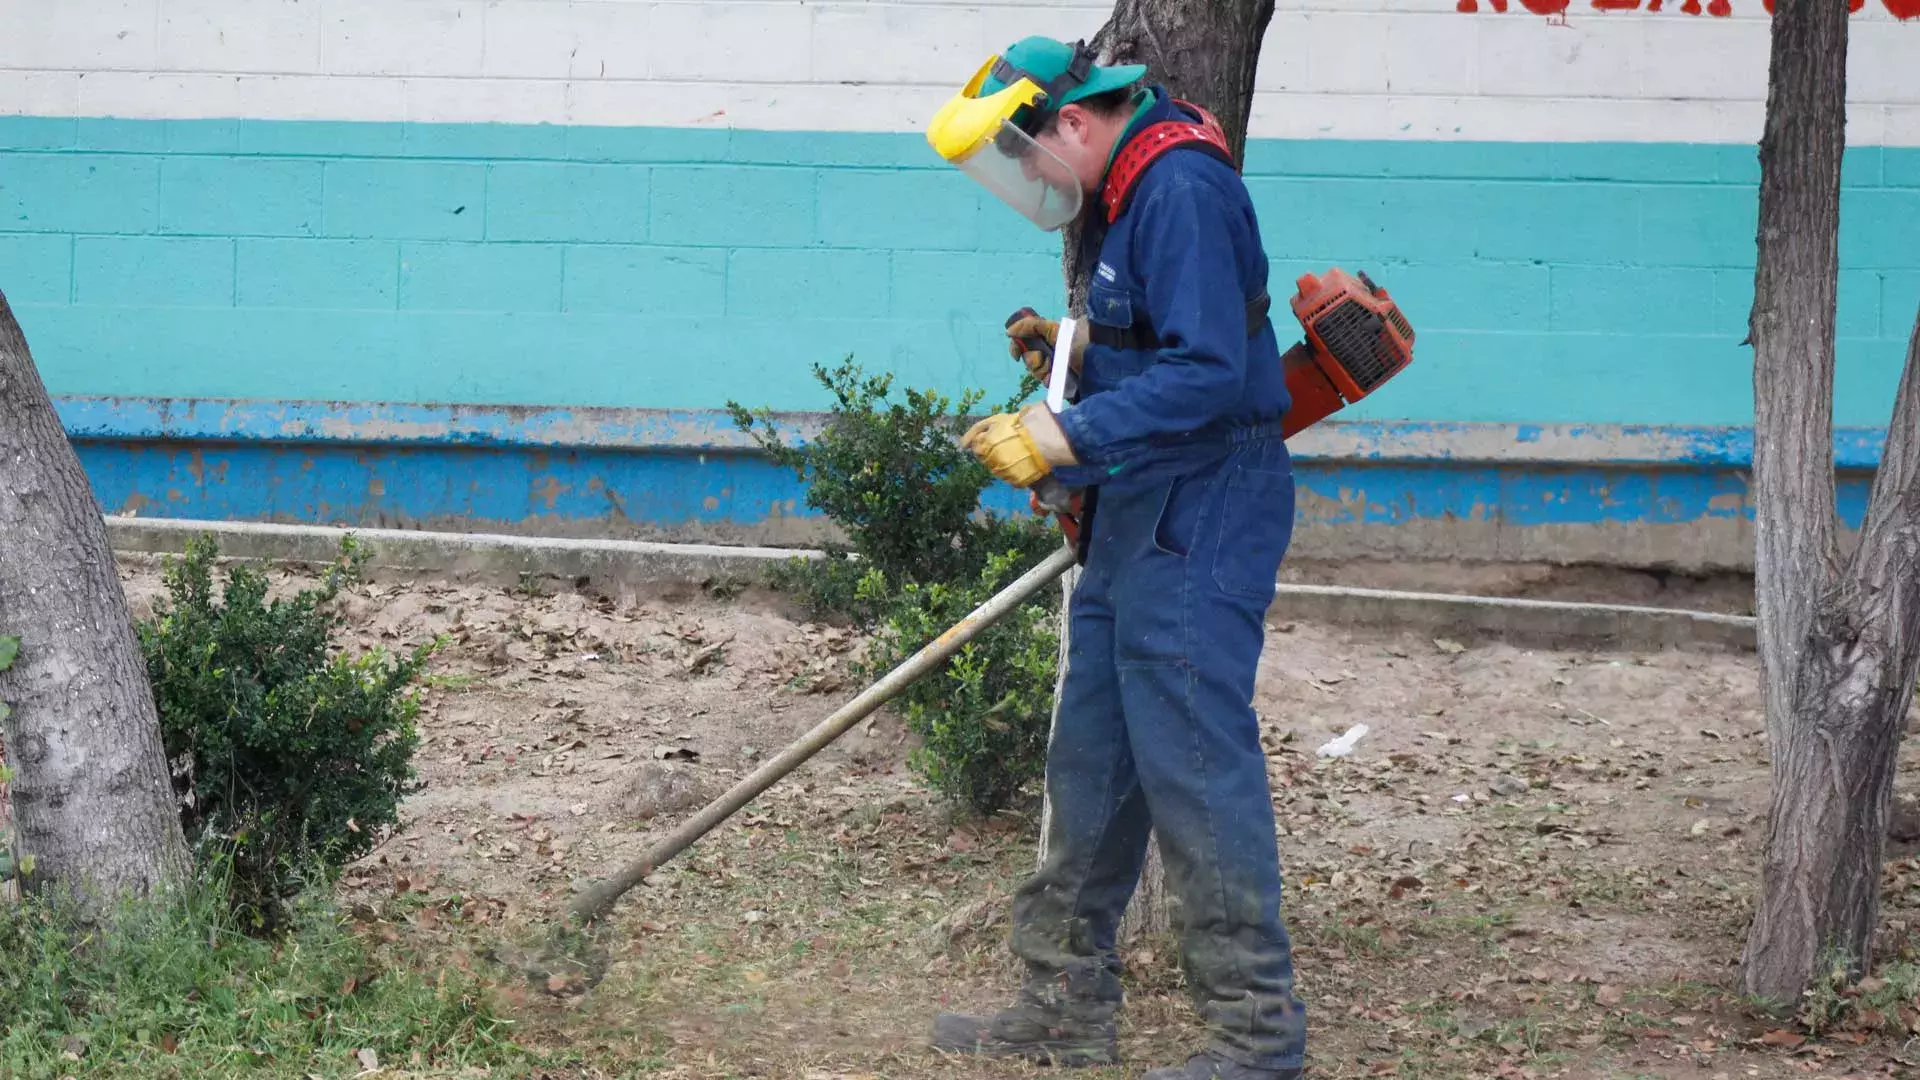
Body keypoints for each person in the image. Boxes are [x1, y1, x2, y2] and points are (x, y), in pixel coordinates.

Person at [921, 35, 1308, 1080]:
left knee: (1195, 768)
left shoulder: (1178, 188)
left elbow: (1211, 377)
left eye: (1026, 154)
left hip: (1204, 506)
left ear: (1074, 122)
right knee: (1092, 762)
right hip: (1138, 504)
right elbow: (1167, 345)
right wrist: (1073, 359)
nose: (1029, 181)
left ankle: (1255, 1040)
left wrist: (1060, 437)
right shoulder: (1132, 191)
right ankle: (1061, 1006)